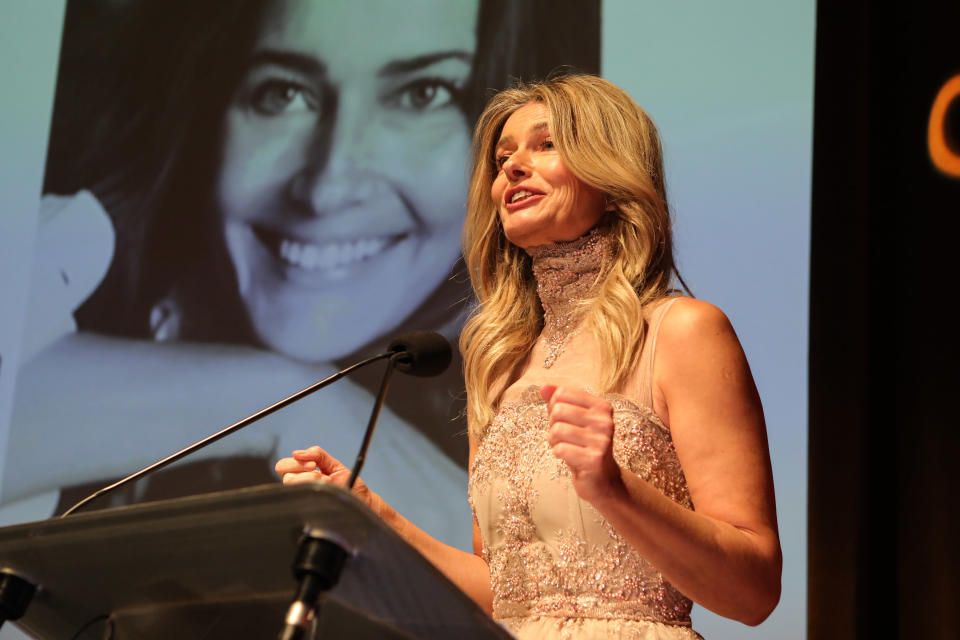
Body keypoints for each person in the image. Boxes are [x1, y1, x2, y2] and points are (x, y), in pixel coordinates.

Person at [2, 0, 601, 540]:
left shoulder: (563, 380)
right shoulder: (63, 247)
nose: (328, 185)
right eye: (282, 93)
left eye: (424, 94)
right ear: (202, 113)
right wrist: (284, 395)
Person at [277, 74, 782, 638]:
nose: (512, 168)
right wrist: (378, 520)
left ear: (613, 175)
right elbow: (505, 594)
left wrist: (614, 488)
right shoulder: (497, 360)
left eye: (545, 145)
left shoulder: (682, 331)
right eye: (503, 157)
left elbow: (754, 594)